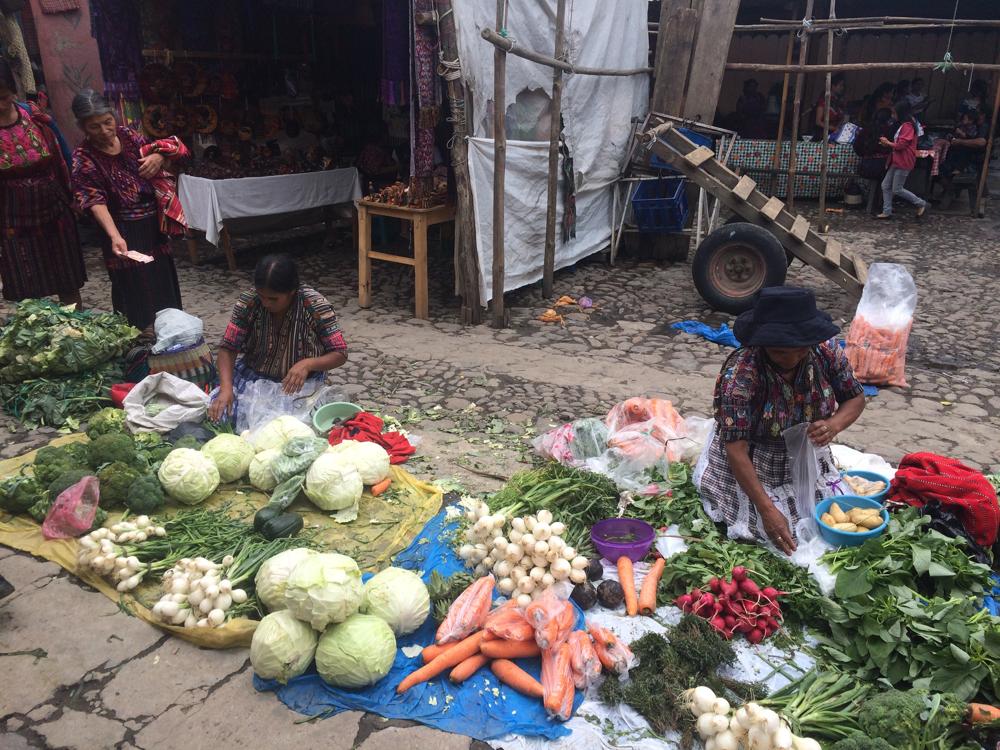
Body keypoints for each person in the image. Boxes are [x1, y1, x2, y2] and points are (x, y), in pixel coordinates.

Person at [695, 287, 866, 554]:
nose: (791, 359)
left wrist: (834, 424)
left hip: (807, 453)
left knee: (825, 520)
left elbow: (855, 398)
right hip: (755, 461)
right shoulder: (741, 375)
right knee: (769, 530)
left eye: (799, 351)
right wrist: (766, 509)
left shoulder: (826, 352)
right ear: (762, 344)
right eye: (779, 352)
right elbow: (735, 449)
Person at [70, 90, 186, 329]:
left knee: (162, 281)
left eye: (107, 122)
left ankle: (173, 335)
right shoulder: (84, 157)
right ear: (82, 127)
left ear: (114, 117)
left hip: (153, 226)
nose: (104, 131)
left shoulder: (129, 136)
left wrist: (158, 158)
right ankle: (140, 347)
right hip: (122, 229)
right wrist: (115, 237)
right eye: (94, 127)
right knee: (134, 289)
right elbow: (94, 200)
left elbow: (161, 156)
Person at [208, 254, 348, 424]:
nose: (266, 303)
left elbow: (339, 353)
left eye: (273, 298)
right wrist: (226, 388)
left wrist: (307, 364)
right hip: (252, 377)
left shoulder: (315, 306)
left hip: (298, 385)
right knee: (220, 413)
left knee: (291, 425)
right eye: (262, 296)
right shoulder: (249, 302)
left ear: (292, 291)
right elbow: (228, 348)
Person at [0, 59, 86, 306]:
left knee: (67, 278)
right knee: (26, 284)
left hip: (54, 208)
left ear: (14, 91)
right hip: (11, 218)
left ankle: (77, 332)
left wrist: (75, 195)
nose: (1, 104)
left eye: (4, 97)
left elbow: (63, 156)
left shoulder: (34, 117)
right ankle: (36, 336)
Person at [876, 99, 927, 219]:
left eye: (894, 113)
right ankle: (887, 211)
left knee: (897, 189)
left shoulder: (908, 126)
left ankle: (921, 203)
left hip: (904, 160)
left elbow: (901, 145)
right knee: (885, 185)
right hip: (897, 160)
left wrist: (888, 143)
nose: (893, 116)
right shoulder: (906, 125)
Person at [812, 73, 847, 139]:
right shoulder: (823, 100)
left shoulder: (839, 102)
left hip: (835, 136)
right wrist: (833, 128)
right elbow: (818, 122)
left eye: (843, 86)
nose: (842, 88)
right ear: (833, 86)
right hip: (821, 135)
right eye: (840, 85)